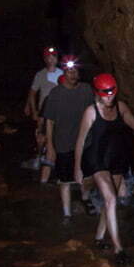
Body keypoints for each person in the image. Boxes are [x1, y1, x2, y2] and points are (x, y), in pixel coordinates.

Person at [74, 73, 134, 265]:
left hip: (117, 159)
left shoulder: (121, 107)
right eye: (105, 94)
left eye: (111, 93)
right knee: (110, 199)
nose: (109, 97)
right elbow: (81, 140)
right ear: (98, 93)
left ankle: (99, 237)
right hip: (97, 160)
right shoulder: (91, 112)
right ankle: (118, 248)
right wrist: (77, 167)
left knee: (111, 200)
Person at [41, 55, 93, 223]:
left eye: (75, 70)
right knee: (65, 180)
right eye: (69, 71)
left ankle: (85, 199)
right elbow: (49, 121)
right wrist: (50, 145)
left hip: (86, 142)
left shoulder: (86, 90)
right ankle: (67, 213)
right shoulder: (56, 94)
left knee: (87, 177)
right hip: (64, 142)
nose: (73, 74)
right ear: (64, 72)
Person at [24, 46, 63, 182]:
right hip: (43, 112)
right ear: (45, 59)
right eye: (49, 57)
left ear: (57, 58)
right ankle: (39, 156)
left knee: (56, 138)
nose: (51, 59)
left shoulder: (63, 74)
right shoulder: (40, 75)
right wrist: (33, 110)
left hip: (58, 113)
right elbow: (33, 92)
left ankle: (52, 161)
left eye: (54, 57)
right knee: (41, 137)